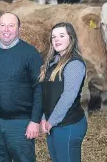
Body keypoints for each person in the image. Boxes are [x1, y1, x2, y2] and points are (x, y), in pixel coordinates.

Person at [0, 12, 43, 162]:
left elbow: (40, 88)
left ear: (19, 29)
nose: (6, 29)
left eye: (11, 25)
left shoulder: (30, 53)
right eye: (2, 25)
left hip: (20, 123)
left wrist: (35, 120)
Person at [39, 22, 87, 162]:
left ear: (71, 38)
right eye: (53, 37)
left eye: (61, 35)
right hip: (54, 123)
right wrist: (43, 118)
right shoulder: (53, 62)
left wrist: (51, 121)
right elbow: (47, 94)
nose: (56, 39)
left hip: (68, 125)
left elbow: (68, 97)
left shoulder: (74, 63)